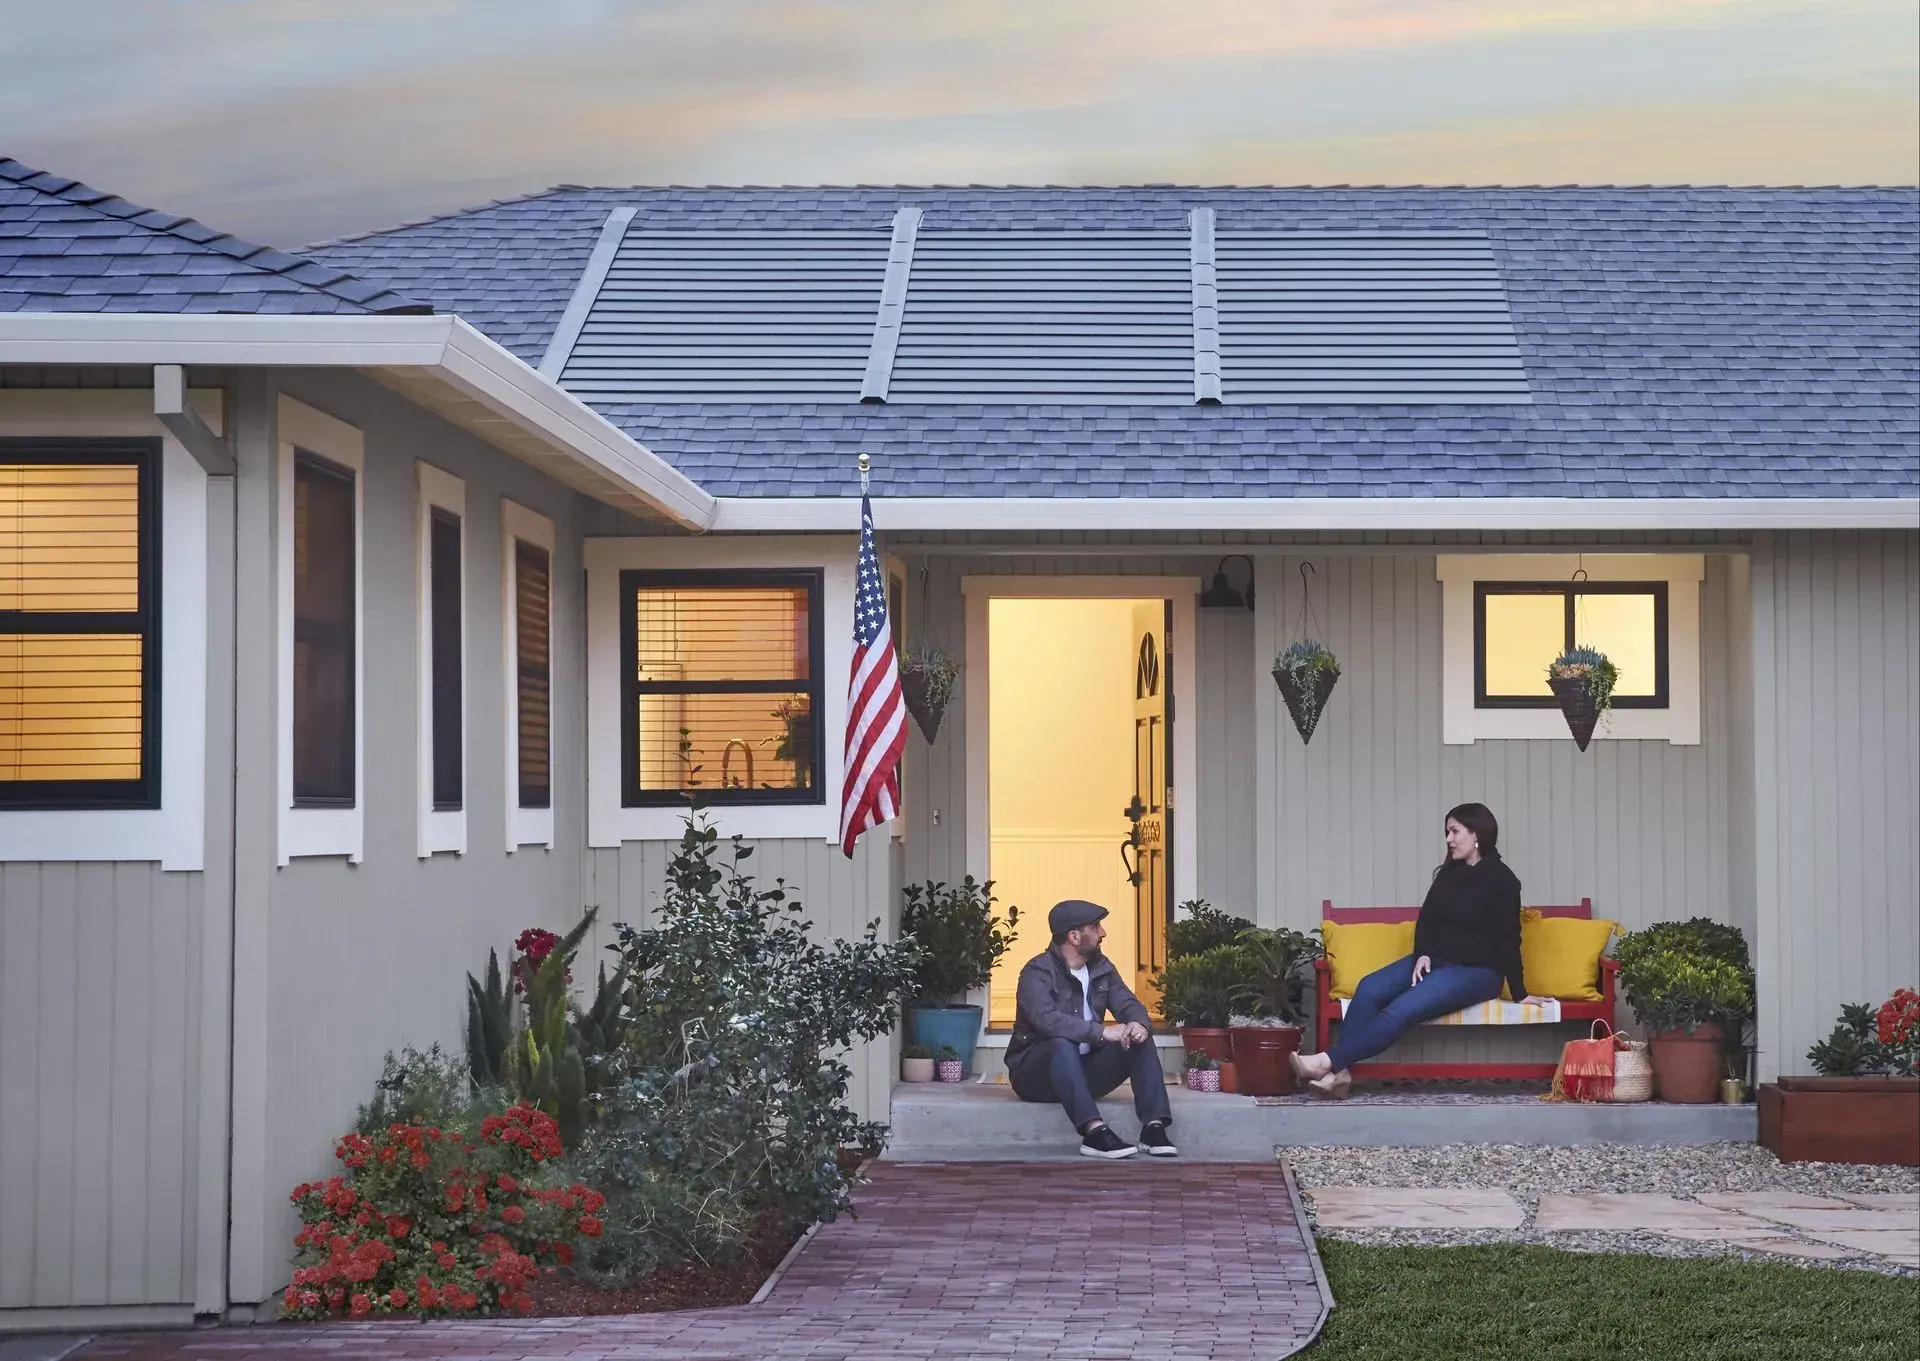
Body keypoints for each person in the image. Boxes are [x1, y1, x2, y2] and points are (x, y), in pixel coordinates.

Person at [1290, 802, 1553, 1098]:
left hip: (1476, 973)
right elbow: (1427, 919)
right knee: (1369, 987)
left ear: (1476, 834)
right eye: (1447, 832)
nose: (1448, 839)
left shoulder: (1503, 882)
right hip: (1435, 961)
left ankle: (1327, 1062)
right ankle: (1338, 1075)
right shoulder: (1449, 873)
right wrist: (1424, 953)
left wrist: (1519, 992)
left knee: (1401, 1009)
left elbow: (1508, 939)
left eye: (1454, 832)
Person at [1004, 899, 1177, 1159]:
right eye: (1096, 926)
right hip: (1035, 1076)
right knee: (1061, 1042)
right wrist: (1101, 1032)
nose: (1103, 933)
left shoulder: (1101, 967)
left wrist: (1138, 1023)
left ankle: (1153, 1128)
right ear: (1074, 936)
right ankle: (1094, 1132)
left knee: (1139, 1038)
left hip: (1083, 1074)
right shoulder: (1037, 971)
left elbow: (1126, 1001)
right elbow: (1046, 1020)